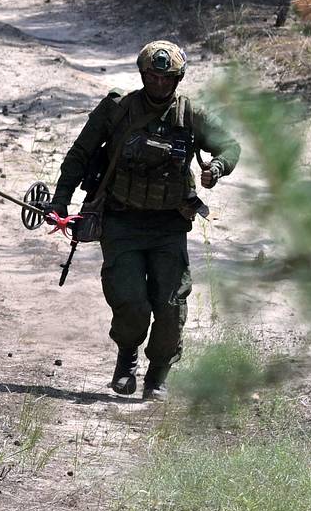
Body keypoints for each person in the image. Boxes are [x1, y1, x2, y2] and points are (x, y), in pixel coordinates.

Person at [49, 41, 240, 399]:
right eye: (152, 76)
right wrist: (61, 202)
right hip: (121, 222)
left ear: (177, 80)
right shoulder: (117, 109)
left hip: (168, 226)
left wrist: (217, 167)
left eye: (166, 78)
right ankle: (127, 358)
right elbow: (79, 155)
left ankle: (158, 375)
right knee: (131, 301)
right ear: (142, 75)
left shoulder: (190, 116)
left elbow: (230, 146)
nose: (158, 84)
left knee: (170, 308)